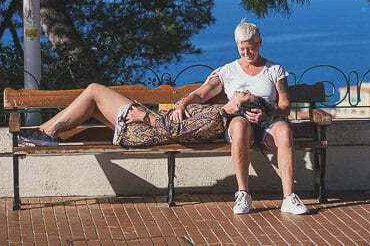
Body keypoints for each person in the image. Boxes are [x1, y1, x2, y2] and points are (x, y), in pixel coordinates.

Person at [169, 21, 309, 215]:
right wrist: (182, 104)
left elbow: (285, 106)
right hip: (240, 123)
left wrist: (267, 113)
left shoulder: (275, 70)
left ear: (260, 43)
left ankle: (289, 198)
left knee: (285, 131)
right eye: (242, 48)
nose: (246, 53)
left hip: (268, 121)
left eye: (250, 48)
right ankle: (243, 194)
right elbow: (201, 94)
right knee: (239, 126)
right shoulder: (227, 71)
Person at [20, 82, 261, 148]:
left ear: (241, 107)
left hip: (142, 131)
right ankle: (44, 132)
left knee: (94, 90)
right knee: (92, 102)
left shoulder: (216, 117)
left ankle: (46, 133)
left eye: (246, 94)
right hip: (144, 127)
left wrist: (143, 116)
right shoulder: (217, 113)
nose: (244, 90)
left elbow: (174, 131)